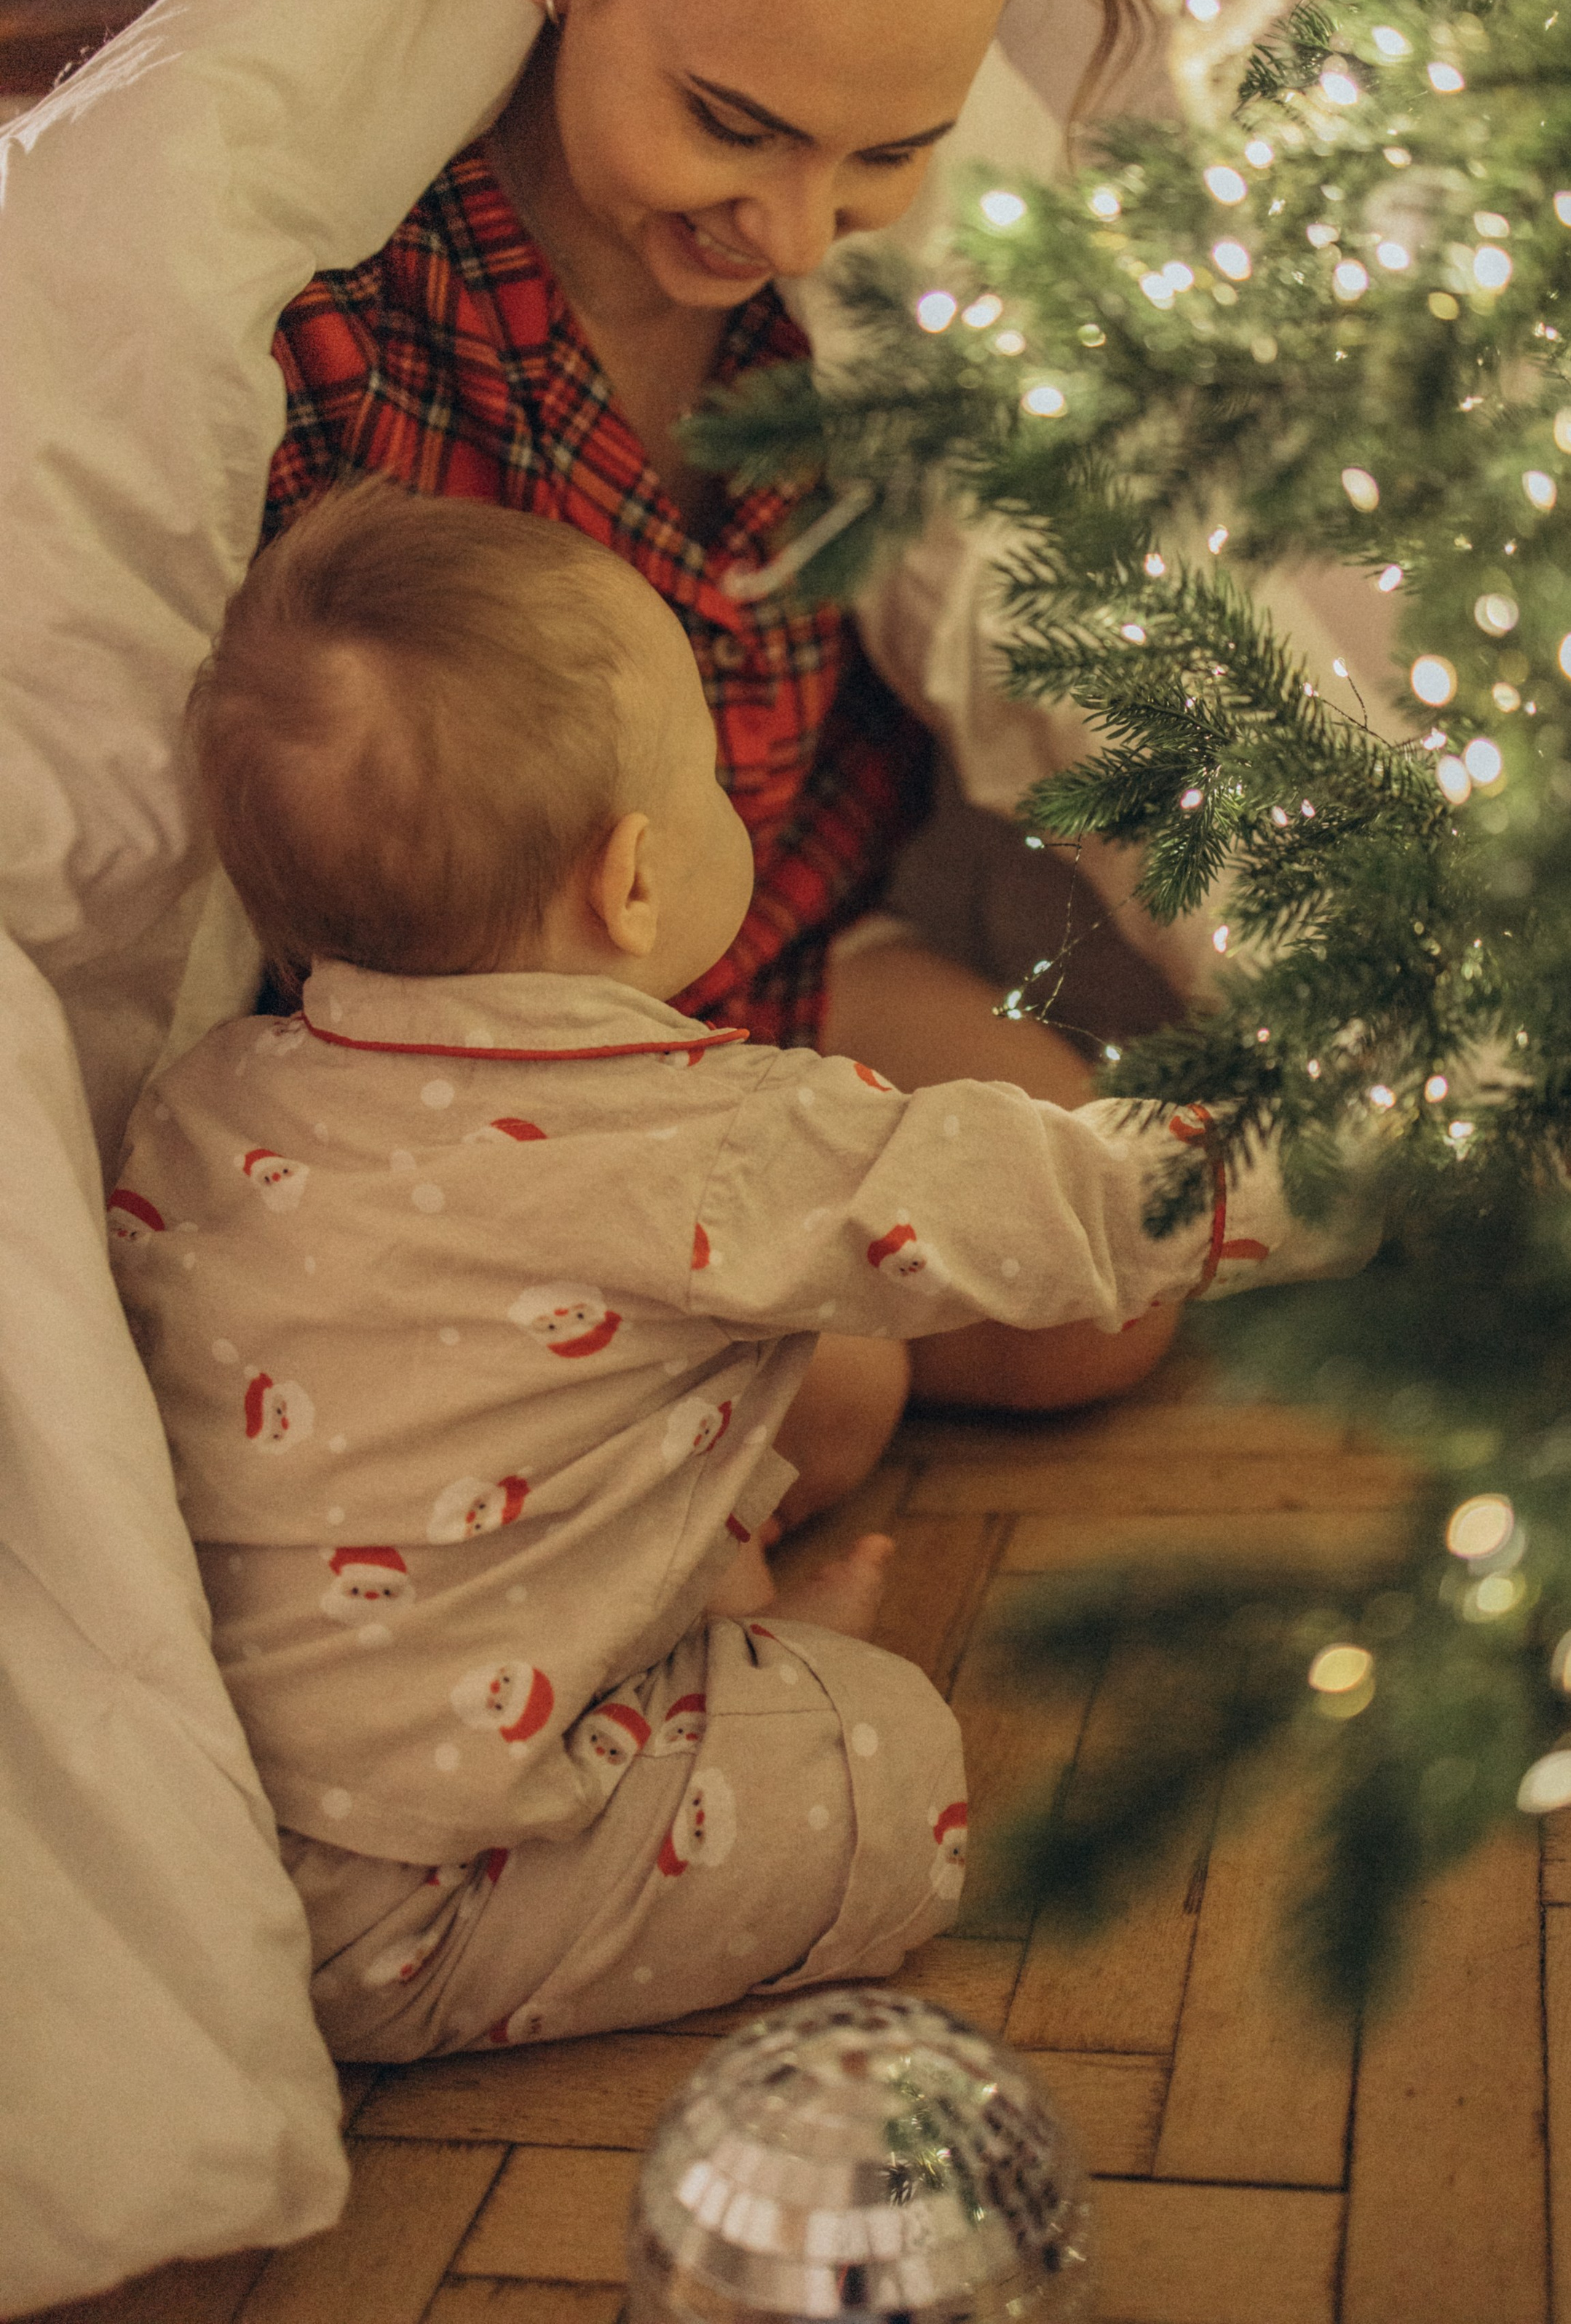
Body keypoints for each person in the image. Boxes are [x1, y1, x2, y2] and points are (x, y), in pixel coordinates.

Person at [108, 481, 1358, 2057]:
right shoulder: (703, 1141)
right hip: (419, 1913)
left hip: (205, 1833)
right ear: (631, 881)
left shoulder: (204, 1098)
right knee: (900, 1764)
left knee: (629, 1416)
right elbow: (1079, 1203)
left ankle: (711, 1637)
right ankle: (757, 1678)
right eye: (705, 779)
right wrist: (1385, 1142)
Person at [264, 0, 1180, 1448]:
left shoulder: (841, 313)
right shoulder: (363, 308)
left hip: (774, 954)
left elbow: (1068, 602)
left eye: (881, 155)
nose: (785, 226)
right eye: (730, 124)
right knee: (830, 1396)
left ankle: (723, 1425)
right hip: (471, 1065)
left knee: (1093, 1284)